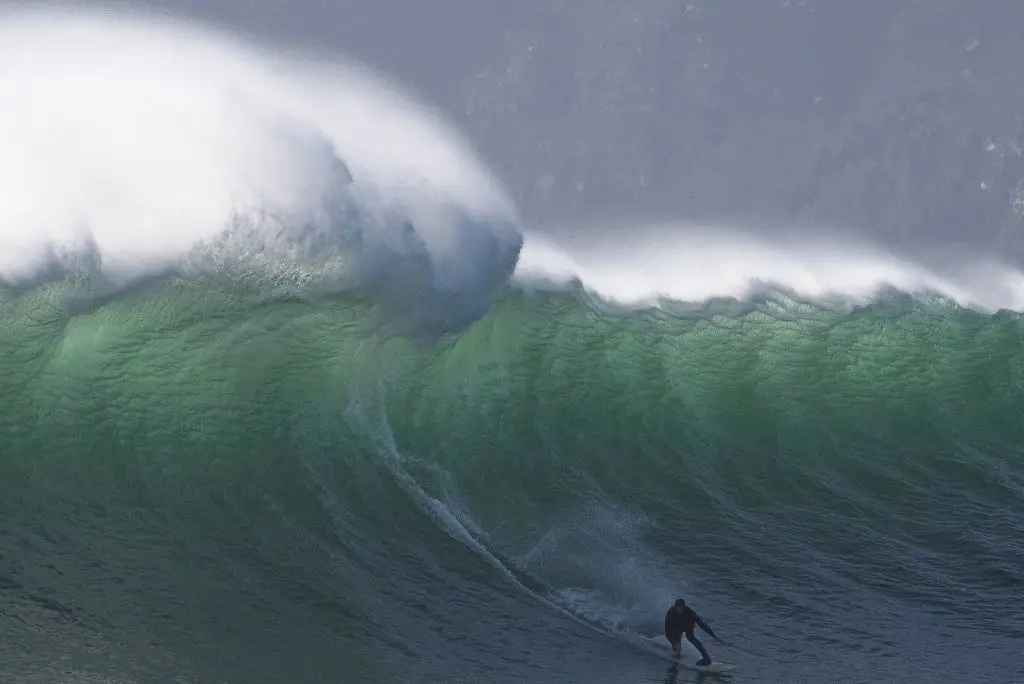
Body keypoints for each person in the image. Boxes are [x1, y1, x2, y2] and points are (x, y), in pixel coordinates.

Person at [664, 598, 720, 666]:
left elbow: (702, 624)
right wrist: (674, 642)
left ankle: (706, 657)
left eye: (682, 607)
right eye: (678, 607)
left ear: (684, 607)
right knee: (676, 642)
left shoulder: (690, 613)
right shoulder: (671, 612)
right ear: (675, 607)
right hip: (675, 626)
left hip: (688, 625)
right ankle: (677, 652)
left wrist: (714, 636)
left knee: (691, 638)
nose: (680, 609)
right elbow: (667, 630)